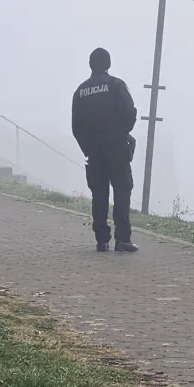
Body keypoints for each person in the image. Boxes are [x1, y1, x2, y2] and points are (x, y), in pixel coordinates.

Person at [72, 47, 139, 253]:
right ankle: (122, 239)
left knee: (99, 194)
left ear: (91, 64)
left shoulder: (81, 91)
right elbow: (130, 113)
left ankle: (102, 240)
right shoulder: (116, 85)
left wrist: (87, 147)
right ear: (108, 64)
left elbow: (76, 126)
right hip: (117, 148)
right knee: (122, 190)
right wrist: (123, 134)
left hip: (94, 151)